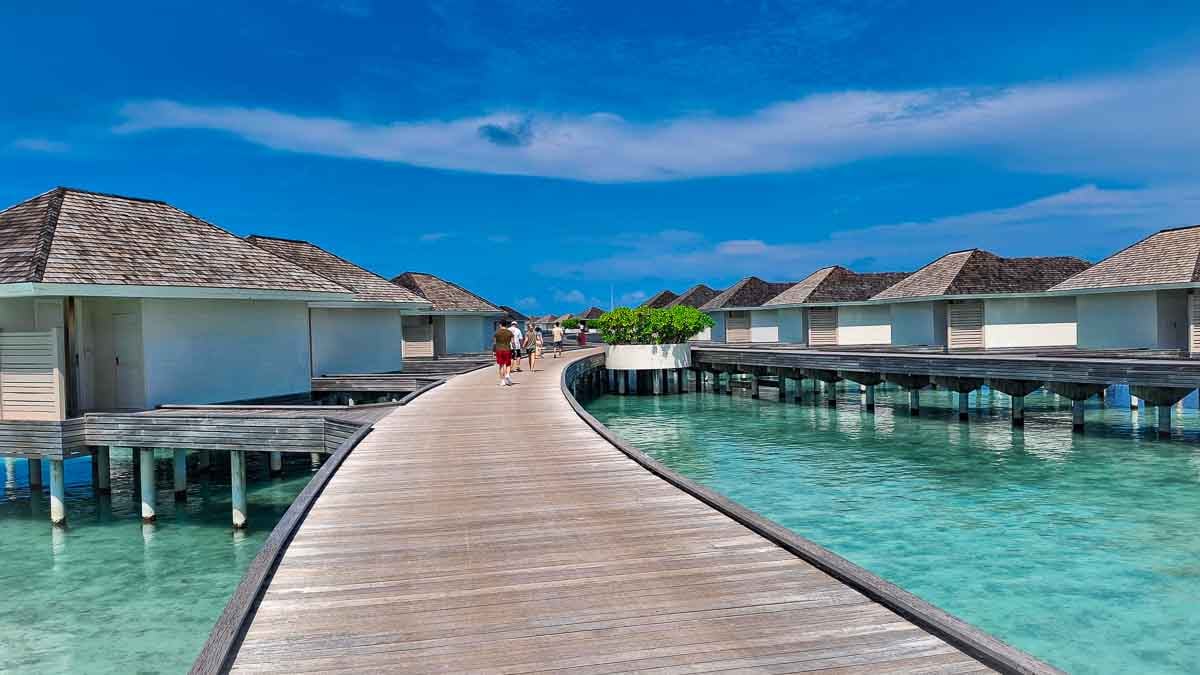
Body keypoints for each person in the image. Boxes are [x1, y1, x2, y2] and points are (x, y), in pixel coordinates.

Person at [493, 319, 514, 386]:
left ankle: (502, 381)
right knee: (508, 364)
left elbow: (494, 343)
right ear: (506, 324)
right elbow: (513, 342)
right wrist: (514, 350)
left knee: (501, 365)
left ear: (500, 324)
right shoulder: (510, 333)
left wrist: (493, 351)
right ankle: (507, 374)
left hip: (499, 350)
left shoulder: (497, 333)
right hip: (507, 349)